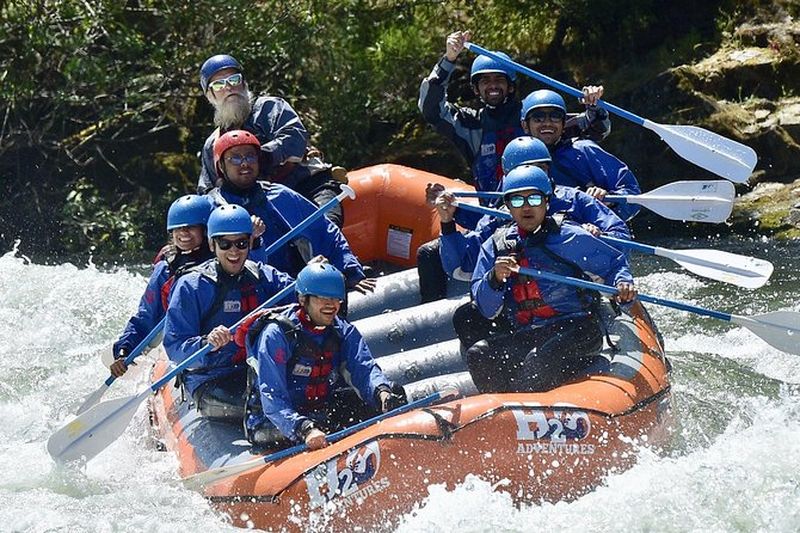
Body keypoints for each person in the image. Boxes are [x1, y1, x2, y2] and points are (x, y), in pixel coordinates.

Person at [416, 30, 610, 302]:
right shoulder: (470, 126)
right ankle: (443, 320)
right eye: (485, 81)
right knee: (428, 254)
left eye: (499, 79)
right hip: (495, 216)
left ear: (510, 85)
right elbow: (431, 109)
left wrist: (594, 106)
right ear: (476, 88)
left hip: (544, 213)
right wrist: (449, 59)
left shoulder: (534, 116)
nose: (492, 85)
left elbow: (593, 127)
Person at [455, 165, 636, 393]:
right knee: (480, 355)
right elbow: (485, 308)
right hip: (531, 331)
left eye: (534, 199)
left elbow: (614, 265)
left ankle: (539, 396)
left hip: (577, 327)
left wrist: (623, 285)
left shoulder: (568, 235)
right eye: (518, 201)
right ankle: (503, 414)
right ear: (508, 206)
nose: (527, 207)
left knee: (539, 360)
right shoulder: (495, 246)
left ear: (547, 202)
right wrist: (495, 279)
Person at [241, 263, 407, 449]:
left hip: (318, 411)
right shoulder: (277, 335)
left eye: (336, 299)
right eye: (323, 298)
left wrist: (381, 393)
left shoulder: (342, 331)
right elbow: (272, 395)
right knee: (315, 427)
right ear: (303, 299)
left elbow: (364, 369)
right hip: (271, 421)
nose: (331, 305)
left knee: (390, 393)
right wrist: (304, 428)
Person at [163, 204, 296, 420]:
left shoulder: (265, 276)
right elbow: (175, 346)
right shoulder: (191, 286)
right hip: (211, 379)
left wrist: (313, 280)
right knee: (266, 405)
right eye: (225, 244)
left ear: (250, 243)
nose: (234, 251)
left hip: (258, 369)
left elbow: (301, 298)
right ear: (212, 245)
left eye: (241, 243)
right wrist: (206, 343)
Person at [439, 136, 631, 281]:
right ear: (508, 176)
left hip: (579, 290)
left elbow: (621, 239)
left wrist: (595, 238)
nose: (532, 175)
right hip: (527, 301)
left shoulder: (575, 198)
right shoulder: (500, 215)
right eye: (525, 169)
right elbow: (462, 265)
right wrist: (447, 224)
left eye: (540, 168)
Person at [208, 129, 374, 295]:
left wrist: (349, 272)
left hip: (293, 286)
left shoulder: (278, 194)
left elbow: (326, 232)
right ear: (221, 166)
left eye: (250, 156)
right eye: (235, 158)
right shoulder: (212, 207)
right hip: (243, 293)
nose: (245, 163)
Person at [197, 54, 346, 227]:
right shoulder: (212, 145)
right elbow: (206, 191)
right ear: (210, 96)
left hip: (307, 186)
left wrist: (258, 156)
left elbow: (295, 138)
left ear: (244, 83)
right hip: (263, 206)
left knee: (327, 228)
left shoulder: (269, 108)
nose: (229, 88)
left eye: (234, 79)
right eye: (219, 84)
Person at [110, 194, 214, 377]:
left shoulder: (222, 261)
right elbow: (145, 317)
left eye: (190, 227)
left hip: (214, 339)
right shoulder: (164, 269)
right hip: (179, 342)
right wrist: (125, 349)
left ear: (205, 230)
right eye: (178, 228)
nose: (183, 233)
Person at [520, 89, 641, 221]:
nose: (548, 123)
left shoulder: (584, 150)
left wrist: (610, 199)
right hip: (538, 236)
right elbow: (501, 204)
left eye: (555, 116)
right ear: (525, 125)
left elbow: (632, 195)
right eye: (538, 118)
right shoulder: (518, 158)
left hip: (585, 232)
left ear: (563, 123)